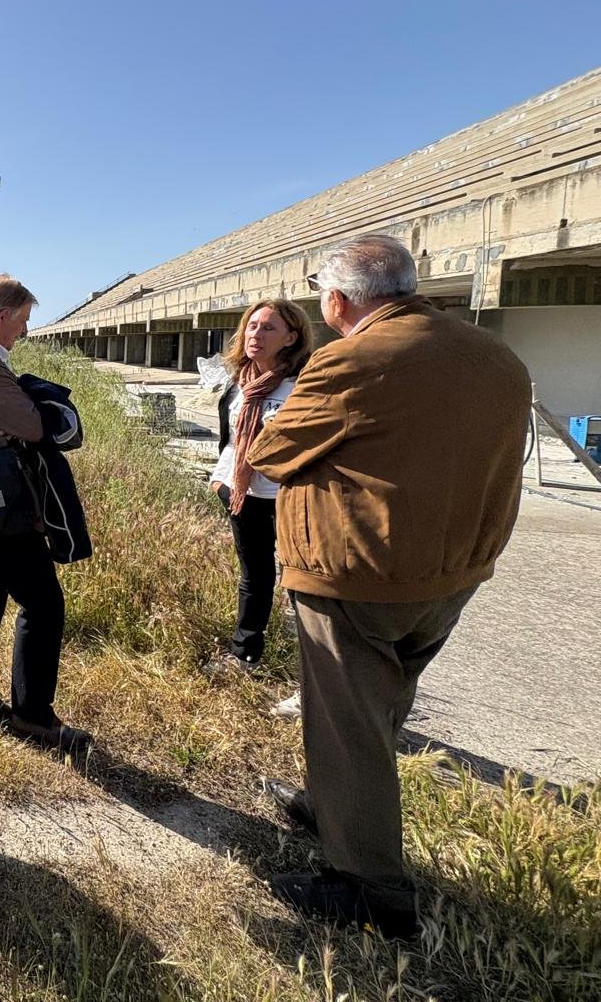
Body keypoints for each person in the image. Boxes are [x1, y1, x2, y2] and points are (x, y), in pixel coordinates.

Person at [249, 234, 531, 937]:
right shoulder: (494, 355)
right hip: (453, 571)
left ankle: (370, 889)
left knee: (349, 720)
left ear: (339, 300)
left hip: (359, 572)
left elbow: (272, 452)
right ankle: (333, 806)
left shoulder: (353, 358)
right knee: (380, 703)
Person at [0, 274, 93, 759]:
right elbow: (31, 425)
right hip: (0, 504)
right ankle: (33, 715)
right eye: (22, 321)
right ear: (2, 316)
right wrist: (39, 405)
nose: (24, 331)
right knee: (43, 605)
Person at [206, 299, 313, 677]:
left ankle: (315, 667)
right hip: (243, 496)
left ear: (291, 337)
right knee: (254, 575)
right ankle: (245, 654)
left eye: (269, 328)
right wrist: (220, 481)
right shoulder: (239, 382)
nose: (256, 334)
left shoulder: (302, 386)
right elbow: (231, 440)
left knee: (304, 581)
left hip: (290, 497)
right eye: (252, 326)